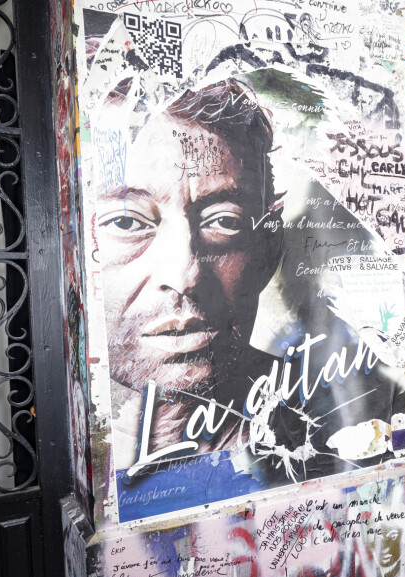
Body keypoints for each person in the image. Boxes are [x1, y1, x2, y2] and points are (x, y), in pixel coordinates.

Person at [97, 79, 285, 476]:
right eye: (127, 221)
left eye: (224, 221)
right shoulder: (49, 440)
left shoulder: (331, 421)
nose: (184, 274)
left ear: (268, 252)